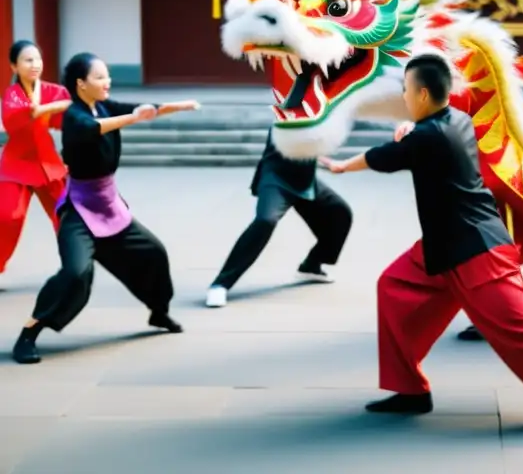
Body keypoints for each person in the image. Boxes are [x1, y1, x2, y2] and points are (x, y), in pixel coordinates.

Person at [319, 54, 523, 442]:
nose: (403, 97)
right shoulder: (456, 120)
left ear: (421, 93)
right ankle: (410, 390)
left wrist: (339, 167)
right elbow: (418, 139)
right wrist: (410, 129)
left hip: (477, 251)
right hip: (445, 245)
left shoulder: (428, 136)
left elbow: (383, 157)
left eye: (405, 91)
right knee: (394, 287)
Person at [11, 53, 199, 365]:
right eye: (99, 77)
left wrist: (179, 106)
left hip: (110, 208)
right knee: (75, 273)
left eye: (107, 75)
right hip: (79, 211)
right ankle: (29, 333)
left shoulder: (104, 105)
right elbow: (94, 128)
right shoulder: (75, 116)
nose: (107, 81)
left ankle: (158, 312)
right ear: (80, 84)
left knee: (154, 252)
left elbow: (147, 111)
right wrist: (133, 117)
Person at [205, 130, 353, 308]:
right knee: (265, 221)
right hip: (276, 179)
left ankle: (311, 265)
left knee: (340, 212)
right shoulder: (290, 108)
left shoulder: (322, 112)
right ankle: (220, 284)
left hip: (305, 180)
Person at [0, 41, 72, 276]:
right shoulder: (13, 95)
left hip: (48, 165)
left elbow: (68, 119)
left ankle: (75, 266)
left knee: (67, 217)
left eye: (38, 59)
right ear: (14, 66)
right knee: (8, 216)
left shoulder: (54, 91)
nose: (35, 65)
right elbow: (20, 119)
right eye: (28, 60)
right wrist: (42, 109)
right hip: (17, 165)